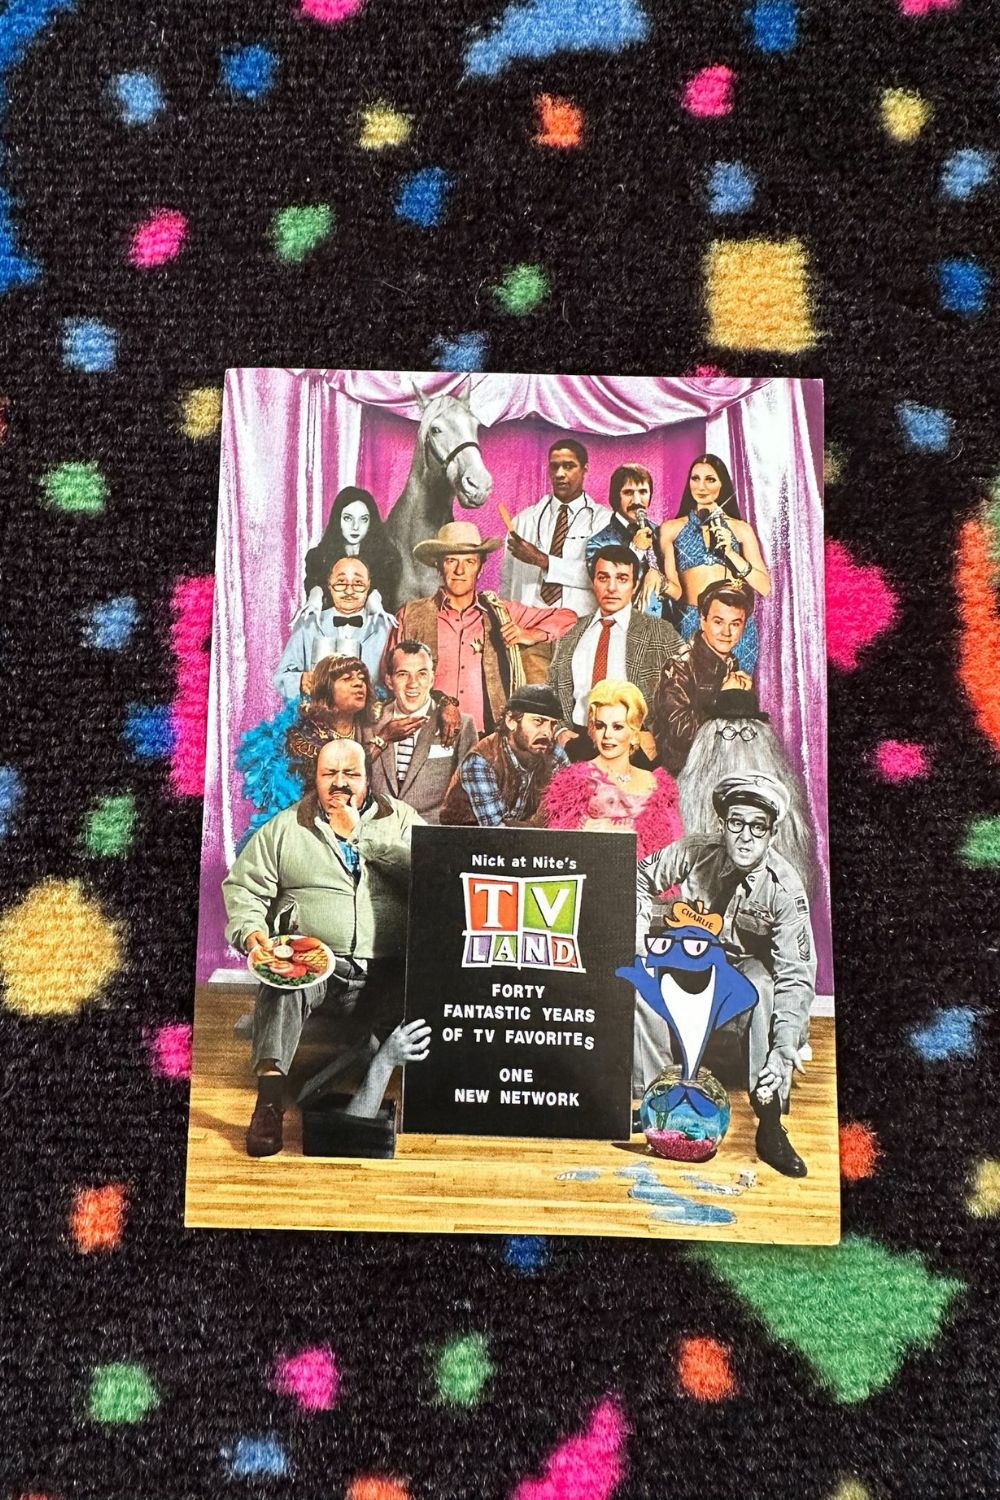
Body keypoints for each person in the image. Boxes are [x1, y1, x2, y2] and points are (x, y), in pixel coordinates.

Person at [223, 735, 426, 1158]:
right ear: (314, 778)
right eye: (328, 773)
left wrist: (360, 836)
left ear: (368, 779)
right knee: (282, 984)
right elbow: (244, 887)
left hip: (388, 970)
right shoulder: (286, 826)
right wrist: (250, 930)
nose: (339, 782)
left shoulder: (402, 820)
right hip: (318, 963)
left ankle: (374, 1074)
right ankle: (269, 1102)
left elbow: (430, 875)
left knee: (410, 1010)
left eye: (351, 773)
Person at [635, 772, 813, 1177]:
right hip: (689, 956)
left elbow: (796, 974)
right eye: (736, 823)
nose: (746, 837)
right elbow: (640, 877)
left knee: (763, 986)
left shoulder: (785, 889)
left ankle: (769, 1121)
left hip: (741, 966)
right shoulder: (694, 852)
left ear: (772, 834)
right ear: (722, 824)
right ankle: (655, 1099)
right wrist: (641, 938)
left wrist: (785, 1046)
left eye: (758, 827)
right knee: (641, 982)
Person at [385, 522, 576, 734]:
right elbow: (388, 675)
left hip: (487, 736)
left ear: (480, 568)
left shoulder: (500, 612)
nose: (460, 570)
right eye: (451, 561)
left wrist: (530, 634)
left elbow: (569, 618)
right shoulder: (411, 615)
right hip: (426, 733)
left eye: (469, 561)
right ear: (439, 565)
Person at [676, 687, 816, 894]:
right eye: (728, 732)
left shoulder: (780, 805)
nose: (736, 746)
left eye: (746, 733)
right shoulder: (684, 801)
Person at [237, 655, 380, 836]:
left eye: (362, 678)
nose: (359, 683)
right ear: (326, 688)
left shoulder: (373, 727)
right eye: (347, 678)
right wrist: (380, 743)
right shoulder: (301, 739)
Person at [541, 680, 683, 861]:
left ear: (634, 733)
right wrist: (586, 836)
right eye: (600, 726)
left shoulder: (658, 785)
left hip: (646, 878)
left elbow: (671, 856)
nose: (607, 735)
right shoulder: (573, 782)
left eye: (618, 727)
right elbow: (559, 853)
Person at [547, 544, 683, 731]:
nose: (611, 588)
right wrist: (561, 731)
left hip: (634, 737)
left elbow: (686, 689)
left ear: (635, 585)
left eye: (622, 579)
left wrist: (653, 736)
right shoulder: (571, 632)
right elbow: (553, 689)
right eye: (603, 578)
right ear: (593, 582)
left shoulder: (659, 631)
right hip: (578, 736)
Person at [657, 454, 770, 673]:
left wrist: (731, 553)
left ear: (722, 484)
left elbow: (764, 587)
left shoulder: (741, 529)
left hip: (734, 624)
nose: (701, 486)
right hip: (691, 623)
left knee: (734, 690)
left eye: (710, 479)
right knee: (689, 690)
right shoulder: (670, 529)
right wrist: (654, 577)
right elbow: (675, 591)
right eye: (695, 478)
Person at [368, 638, 477, 823]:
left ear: (432, 679)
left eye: (422, 674)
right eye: (403, 674)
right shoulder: (369, 722)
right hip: (377, 831)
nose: (413, 683)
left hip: (432, 832)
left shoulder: (462, 725)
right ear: (389, 681)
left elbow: (468, 796)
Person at [650, 580, 754, 774]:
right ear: (702, 620)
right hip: (684, 774)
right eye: (718, 622)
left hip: (723, 769)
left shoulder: (731, 663)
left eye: (735, 624)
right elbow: (680, 735)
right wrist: (725, 699)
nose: (726, 632)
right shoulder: (680, 666)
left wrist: (745, 701)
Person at [501, 438, 613, 617]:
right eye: (554, 467)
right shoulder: (522, 521)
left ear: (585, 469)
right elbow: (507, 583)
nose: (560, 474)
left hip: (578, 624)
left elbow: (605, 576)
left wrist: (545, 561)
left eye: (568, 466)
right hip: (525, 624)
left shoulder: (604, 521)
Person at [438, 684, 567, 827]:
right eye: (538, 721)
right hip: (466, 837)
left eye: (553, 725)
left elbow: (566, 810)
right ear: (511, 721)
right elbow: (497, 831)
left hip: (524, 835)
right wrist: (536, 825)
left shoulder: (554, 753)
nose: (547, 733)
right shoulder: (481, 761)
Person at [274, 556, 396, 699]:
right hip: (317, 710)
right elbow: (281, 677)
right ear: (329, 585)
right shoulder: (308, 623)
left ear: (368, 586)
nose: (349, 591)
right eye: (341, 582)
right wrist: (301, 680)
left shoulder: (385, 627)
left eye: (358, 583)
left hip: (370, 711)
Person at [586, 464, 678, 617]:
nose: (637, 500)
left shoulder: (662, 533)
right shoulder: (597, 543)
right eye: (628, 492)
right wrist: (636, 549)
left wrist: (660, 580)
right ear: (616, 497)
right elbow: (608, 590)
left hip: (665, 623)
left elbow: (678, 589)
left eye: (643, 492)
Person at [301, 485, 403, 613]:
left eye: (363, 519)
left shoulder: (387, 558)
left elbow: (386, 591)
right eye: (348, 518)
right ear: (337, 519)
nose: (355, 527)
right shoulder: (317, 557)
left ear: (371, 522)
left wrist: (375, 596)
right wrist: (316, 593)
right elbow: (314, 583)